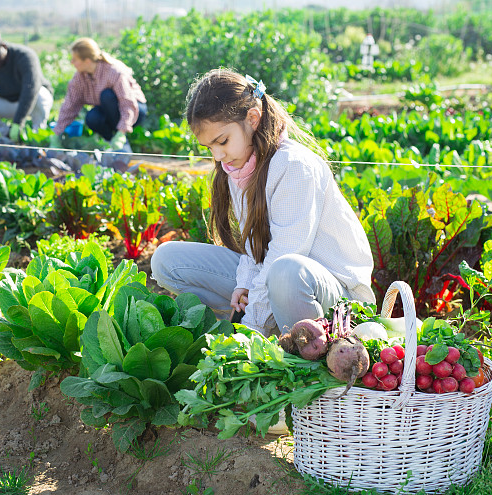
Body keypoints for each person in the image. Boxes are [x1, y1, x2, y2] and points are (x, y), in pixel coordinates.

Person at [151, 69, 376, 338]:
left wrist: (250, 331)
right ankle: (266, 329)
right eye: (209, 147)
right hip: (280, 278)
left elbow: (284, 253)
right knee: (166, 261)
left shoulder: (293, 167)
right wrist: (244, 285)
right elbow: (254, 246)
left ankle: (299, 346)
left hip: (336, 298)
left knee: (285, 272)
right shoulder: (240, 166)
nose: (218, 155)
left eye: (222, 141)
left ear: (253, 118)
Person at [51, 37, 147, 152]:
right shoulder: (80, 78)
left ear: (87, 61)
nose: (72, 62)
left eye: (75, 59)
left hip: (134, 110)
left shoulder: (113, 72)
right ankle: (112, 143)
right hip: (109, 111)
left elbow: (127, 103)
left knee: (106, 95)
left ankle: (122, 141)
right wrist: (57, 132)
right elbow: (70, 105)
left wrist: (122, 132)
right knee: (92, 118)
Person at [0, 30, 54, 142]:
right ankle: (3, 134)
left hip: (30, 102)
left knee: (40, 94)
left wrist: (18, 122)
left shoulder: (25, 56)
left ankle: (37, 134)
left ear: (3, 46)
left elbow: (30, 89)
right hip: (6, 102)